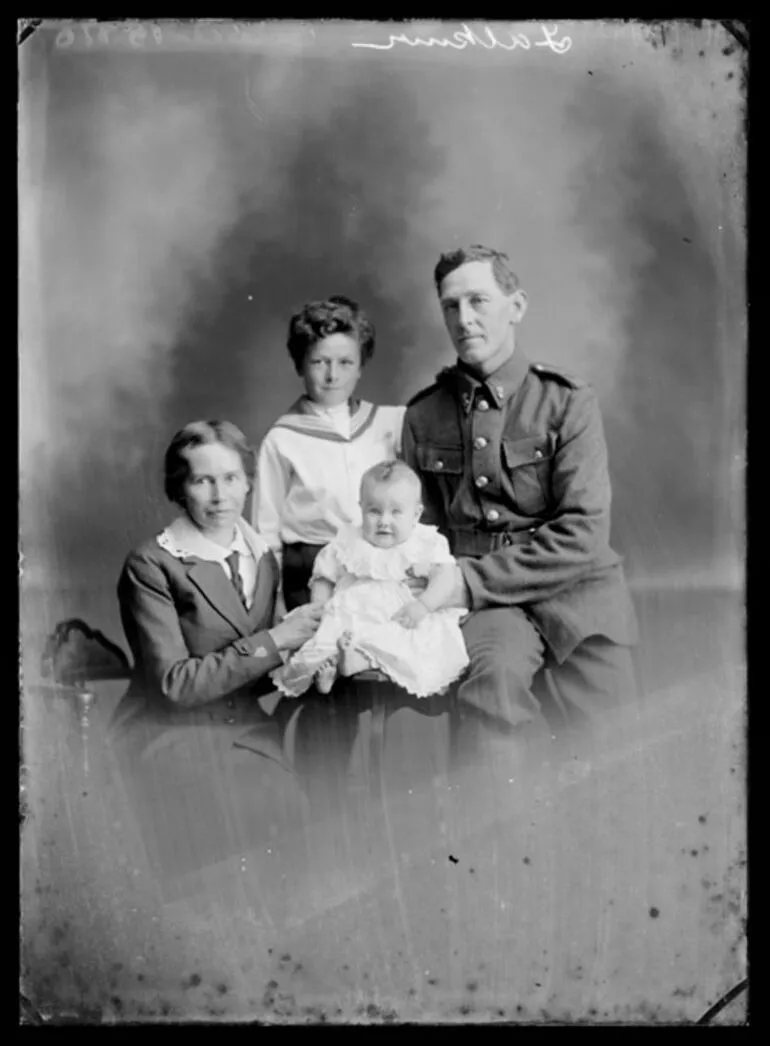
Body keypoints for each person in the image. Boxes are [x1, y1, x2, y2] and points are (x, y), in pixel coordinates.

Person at [402, 244, 639, 742]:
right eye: (451, 305)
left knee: (617, 746)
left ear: (518, 306)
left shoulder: (566, 401)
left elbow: (583, 534)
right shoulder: (423, 415)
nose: (464, 319)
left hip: (578, 595)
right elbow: (419, 536)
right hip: (491, 611)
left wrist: (466, 581)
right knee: (491, 694)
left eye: (478, 301)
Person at [109, 421, 324, 881]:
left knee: (304, 810)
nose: (219, 495)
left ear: (248, 482)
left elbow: (261, 668)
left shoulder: (263, 556)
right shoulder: (151, 563)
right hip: (168, 733)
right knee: (239, 816)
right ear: (180, 489)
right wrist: (274, 641)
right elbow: (174, 685)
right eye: (201, 480)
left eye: (230, 478)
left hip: (247, 728)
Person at [254, 296, 406, 613]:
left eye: (345, 362)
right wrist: (275, 602)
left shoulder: (388, 422)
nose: (332, 376)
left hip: (379, 568)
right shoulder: (283, 439)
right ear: (300, 364)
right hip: (310, 578)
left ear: (361, 366)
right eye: (319, 362)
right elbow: (265, 534)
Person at [271, 460, 469, 700]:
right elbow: (324, 576)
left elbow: (446, 578)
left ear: (416, 514)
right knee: (325, 640)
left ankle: (355, 661)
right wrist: (319, 607)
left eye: (396, 512)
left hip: (401, 615)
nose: (384, 521)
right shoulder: (348, 540)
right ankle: (326, 673)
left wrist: (424, 605)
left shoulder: (425, 542)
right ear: (361, 508)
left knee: (396, 641)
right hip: (351, 614)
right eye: (374, 511)